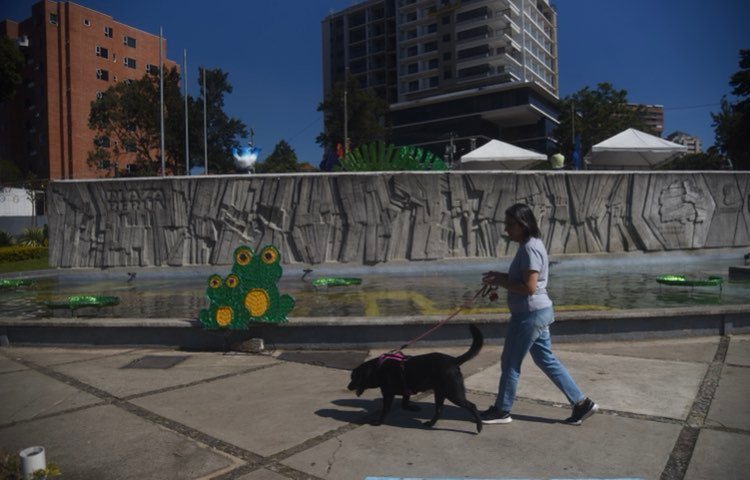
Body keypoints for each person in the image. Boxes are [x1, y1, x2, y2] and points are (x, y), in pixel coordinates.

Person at [479, 203, 598, 426]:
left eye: (510, 225)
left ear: (524, 225)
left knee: (510, 362)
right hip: (537, 313)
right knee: (545, 359)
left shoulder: (529, 248)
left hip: (529, 315)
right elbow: (526, 280)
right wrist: (500, 276)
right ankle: (582, 404)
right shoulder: (531, 244)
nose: (507, 230)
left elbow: (529, 287)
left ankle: (502, 410)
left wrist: (501, 281)